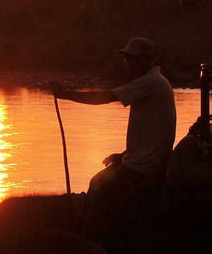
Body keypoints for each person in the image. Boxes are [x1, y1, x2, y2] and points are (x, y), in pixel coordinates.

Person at [51, 37, 177, 226]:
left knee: (101, 195)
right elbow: (153, 132)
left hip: (145, 166)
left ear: (147, 59)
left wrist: (65, 94)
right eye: (126, 59)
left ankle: (92, 240)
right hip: (140, 160)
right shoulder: (153, 82)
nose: (128, 64)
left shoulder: (151, 82)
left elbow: (106, 97)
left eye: (133, 59)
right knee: (95, 182)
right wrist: (124, 155)